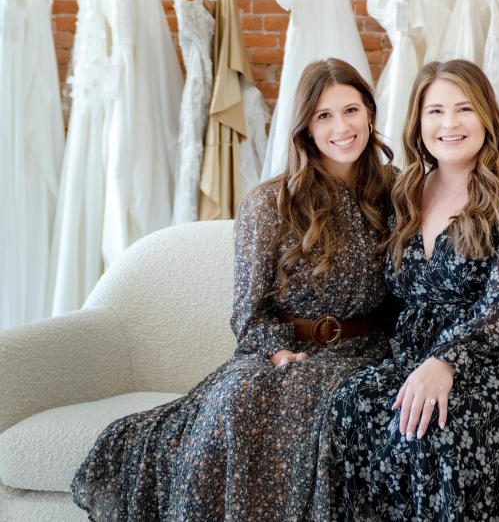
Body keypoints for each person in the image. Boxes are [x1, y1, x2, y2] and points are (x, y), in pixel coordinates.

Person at [72, 58, 396, 521]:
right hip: (281, 350)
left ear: (369, 112)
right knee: (237, 401)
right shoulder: (270, 203)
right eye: (324, 115)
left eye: (351, 110)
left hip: (365, 350)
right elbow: (247, 311)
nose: (341, 126)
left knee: (311, 400)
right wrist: (279, 353)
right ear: (305, 127)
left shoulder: (397, 191)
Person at [321, 58, 499, 521]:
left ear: (486, 117)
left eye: (464, 109)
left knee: (436, 426)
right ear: (418, 123)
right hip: (418, 355)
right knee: (352, 401)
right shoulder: (402, 194)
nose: (449, 123)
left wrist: (446, 361)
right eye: (435, 111)